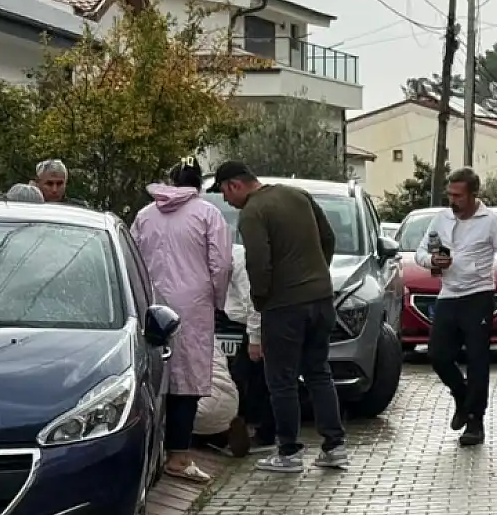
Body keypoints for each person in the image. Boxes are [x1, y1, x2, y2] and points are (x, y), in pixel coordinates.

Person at [212, 160, 349, 473]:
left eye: (224, 192)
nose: (226, 200)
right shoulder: (297, 195)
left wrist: (261, 300)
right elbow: (328, 237)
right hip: (321, 299)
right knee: (318, 372)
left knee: (281, 380)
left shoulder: (253, 212)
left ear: (234, 184)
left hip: (284, 306)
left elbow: (258, 261)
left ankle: (289, 452)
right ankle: (334, 447)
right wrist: (317, 274)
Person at [130, 160, 233, 484]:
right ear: (199, 184)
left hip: (150, 303)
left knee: (151, 375)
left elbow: (132, 258)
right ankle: (179, 456)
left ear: (169, 181)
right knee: (187, 382)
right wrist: (217, 300)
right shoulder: (207, 214)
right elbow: (221, 264)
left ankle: (150, 453)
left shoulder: (145, 215)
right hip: (193, 306)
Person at [415, 168, 497, 447]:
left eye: (458, 196)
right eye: (450, 195)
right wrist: (432, 262)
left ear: (474, 195)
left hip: (478, 295)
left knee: (477, 359)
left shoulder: (492, 221)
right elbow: (420, 252)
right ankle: (461, 395)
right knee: (438, 355)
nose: (453, 201)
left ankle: (475, 420)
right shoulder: (442, 218)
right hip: (448, 294)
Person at [221, 236, 276, 454]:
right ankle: (255, 431)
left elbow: (255, 302)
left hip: (262, 326)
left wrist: (255, 339)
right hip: (252, 325)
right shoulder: (230, 258)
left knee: (256, 379)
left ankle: (265, 434)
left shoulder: (240, 262)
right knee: (247, 377)